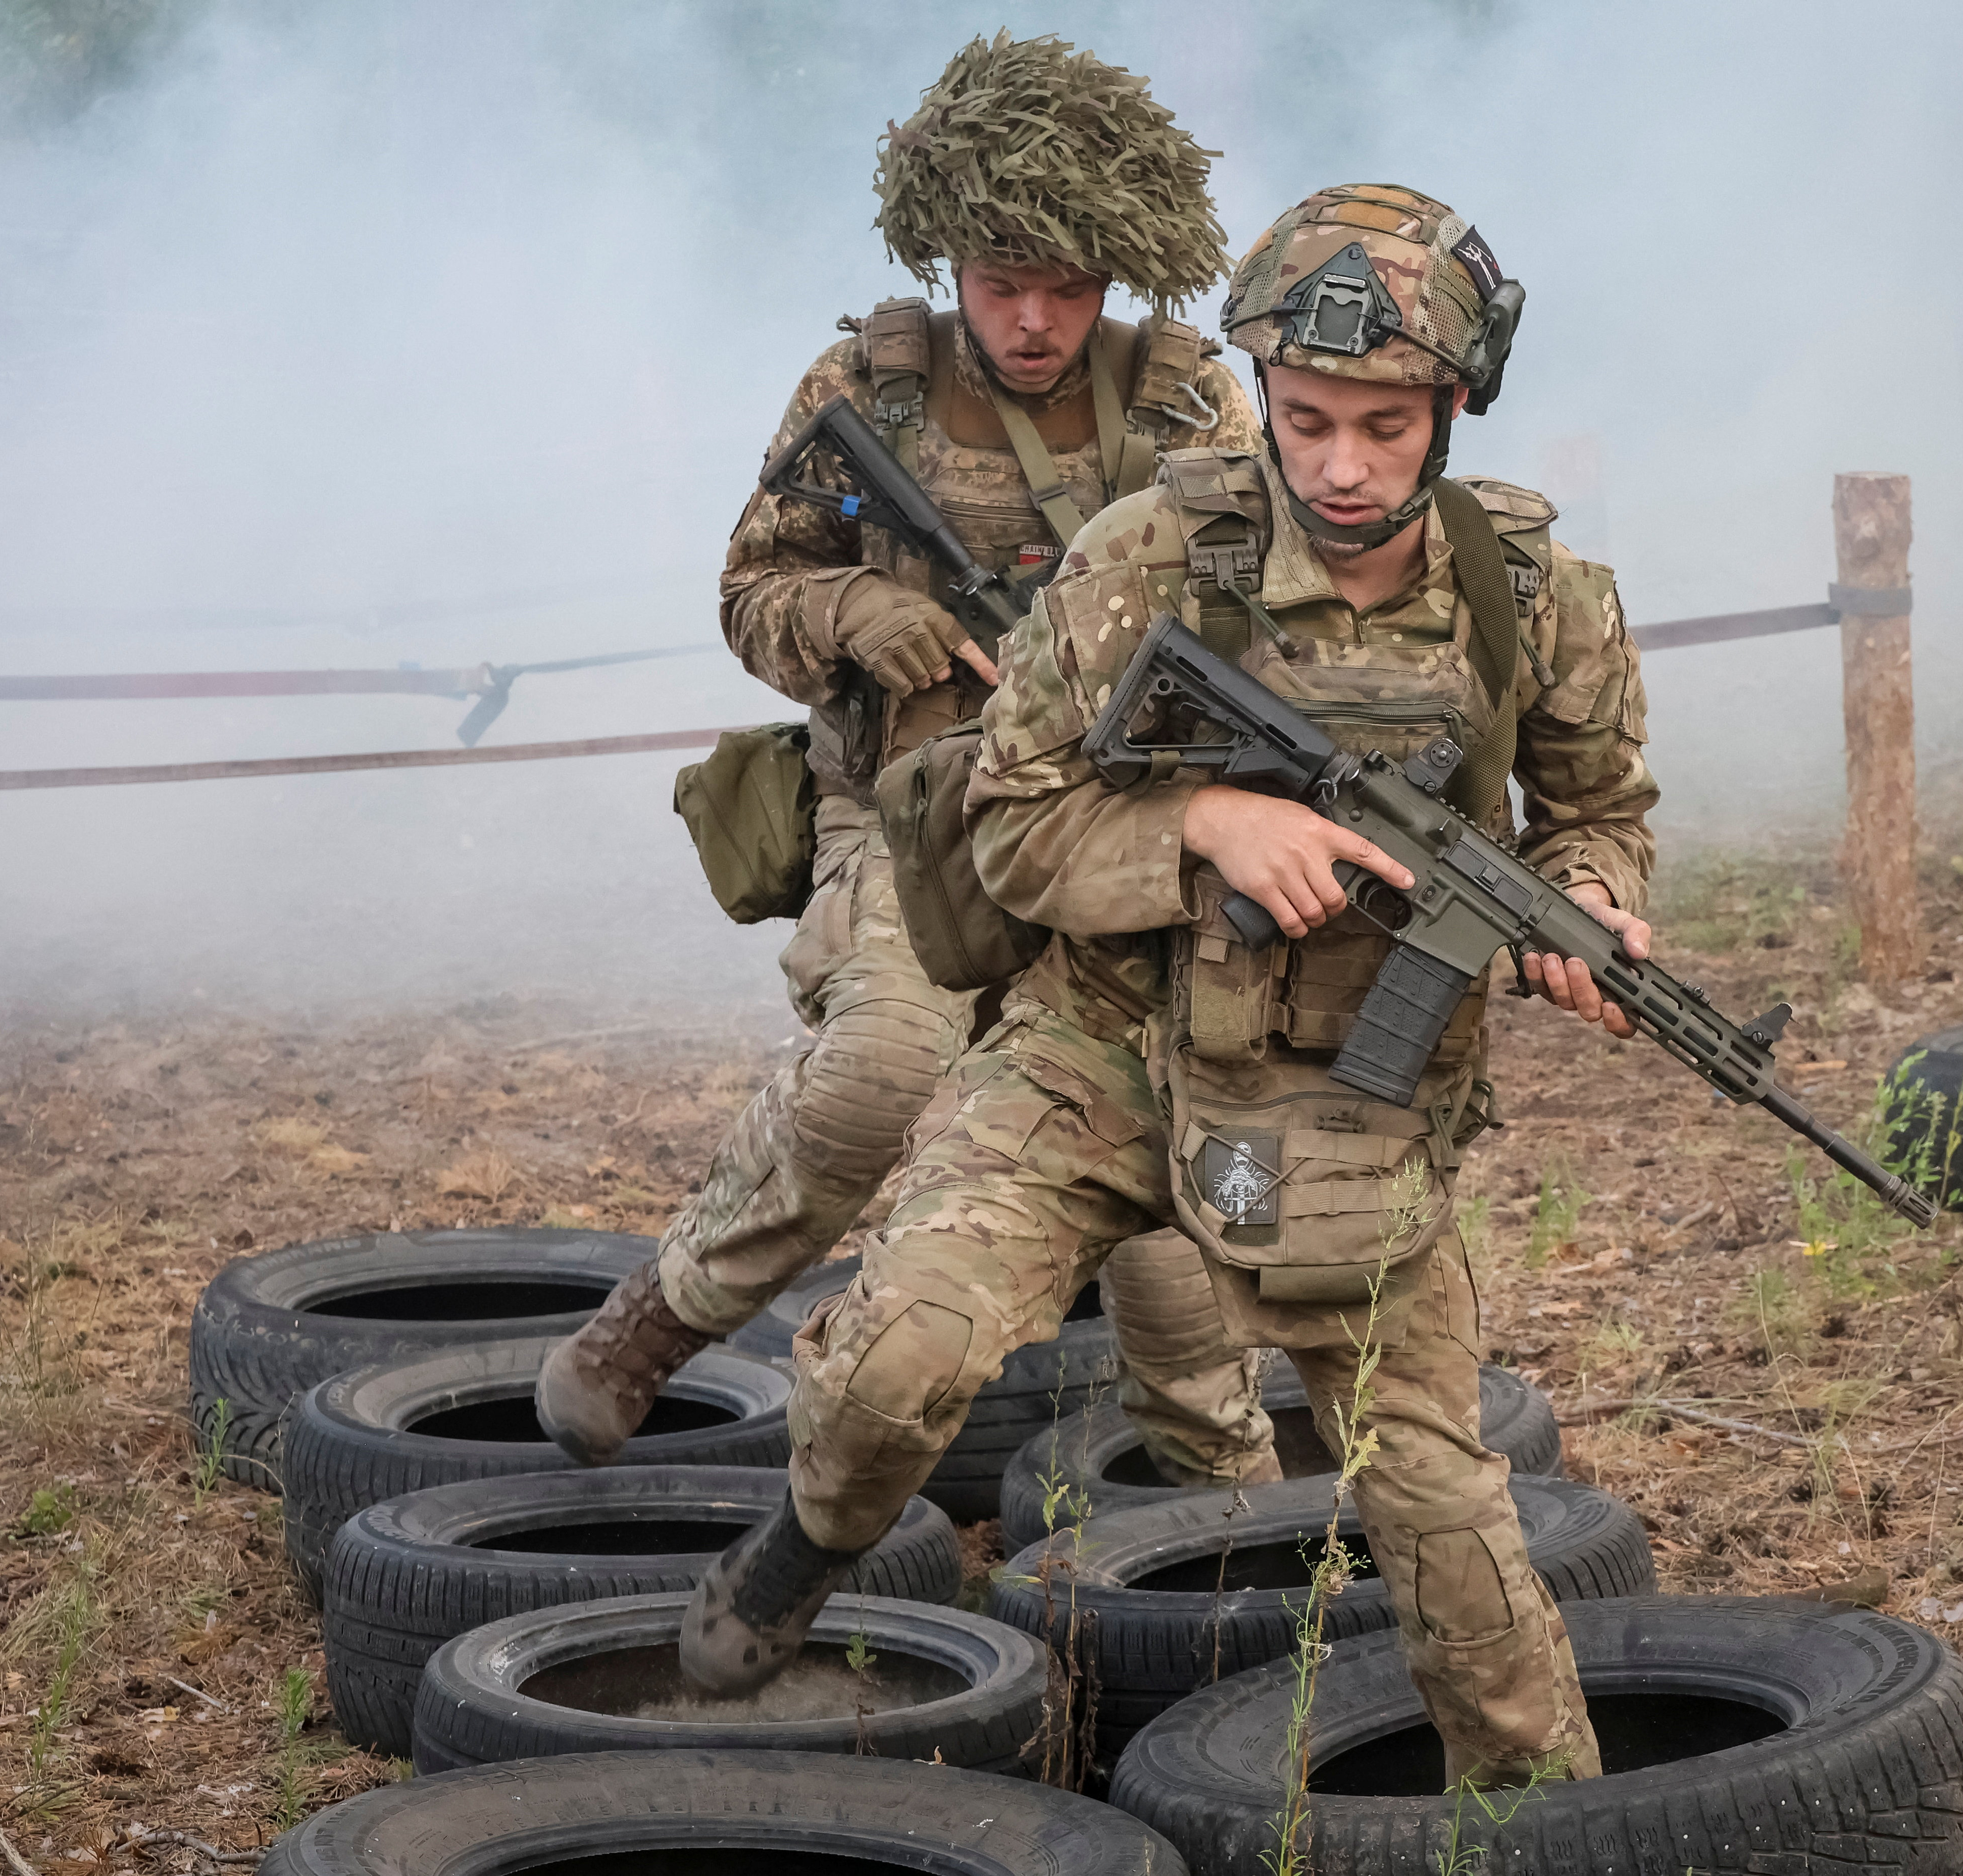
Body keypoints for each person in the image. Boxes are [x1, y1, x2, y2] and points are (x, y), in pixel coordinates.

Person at [680, 182, 1657, 1787]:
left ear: (1455, 407)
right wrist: (1205, 822)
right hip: (1100, 1049)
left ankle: (1541, 1816)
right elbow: (1008, 820)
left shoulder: (1536, 597)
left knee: (1437, 1501)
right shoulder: (1143, 558)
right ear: (1263, 390)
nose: (1342, 465)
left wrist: (1596, 903)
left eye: (1387, 427)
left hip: (1341, 1093)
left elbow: (1599, 810)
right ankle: (806, 1541)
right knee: (895, 1368)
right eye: (1308, 418)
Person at [535, 32, 1276, 1496]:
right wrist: (859, 613)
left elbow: (1266, 617)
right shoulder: (868, 389)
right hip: (910, 814)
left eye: (1071, 287)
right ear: (949, 258)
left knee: (1163, 1159)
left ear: (1120, 271)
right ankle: (649, 1327)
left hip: (1117, 824)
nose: (1036, 320)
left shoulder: (1189, 401)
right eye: (1003, 283)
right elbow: (753, 593)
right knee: (875, 1075)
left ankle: (1224, 1521)